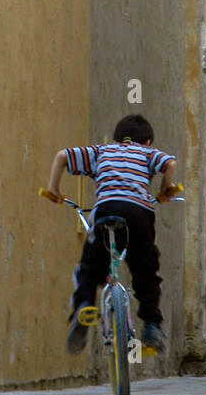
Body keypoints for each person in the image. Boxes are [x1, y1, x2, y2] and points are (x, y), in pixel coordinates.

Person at [44, 114, 179, 355]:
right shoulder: (147, 153)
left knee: (89, 266)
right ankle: (151, 324)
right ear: (148, 141)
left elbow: (62, 156)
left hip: (106, 210)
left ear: (116, 138)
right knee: (145, 270)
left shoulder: (101, 151)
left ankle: (84, 306)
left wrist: (54, 189)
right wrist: (165, 189)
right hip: (138, 215)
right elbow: (169, 163)